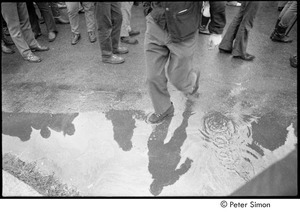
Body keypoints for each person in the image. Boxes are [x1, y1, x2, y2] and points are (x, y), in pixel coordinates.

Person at [143, 2, 226, 124]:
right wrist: (148, 9)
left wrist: (216, 31)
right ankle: (164, 108)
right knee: (152, 76)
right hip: (156, 22)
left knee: (178, 79)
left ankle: (191, 80)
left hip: (184, 28)